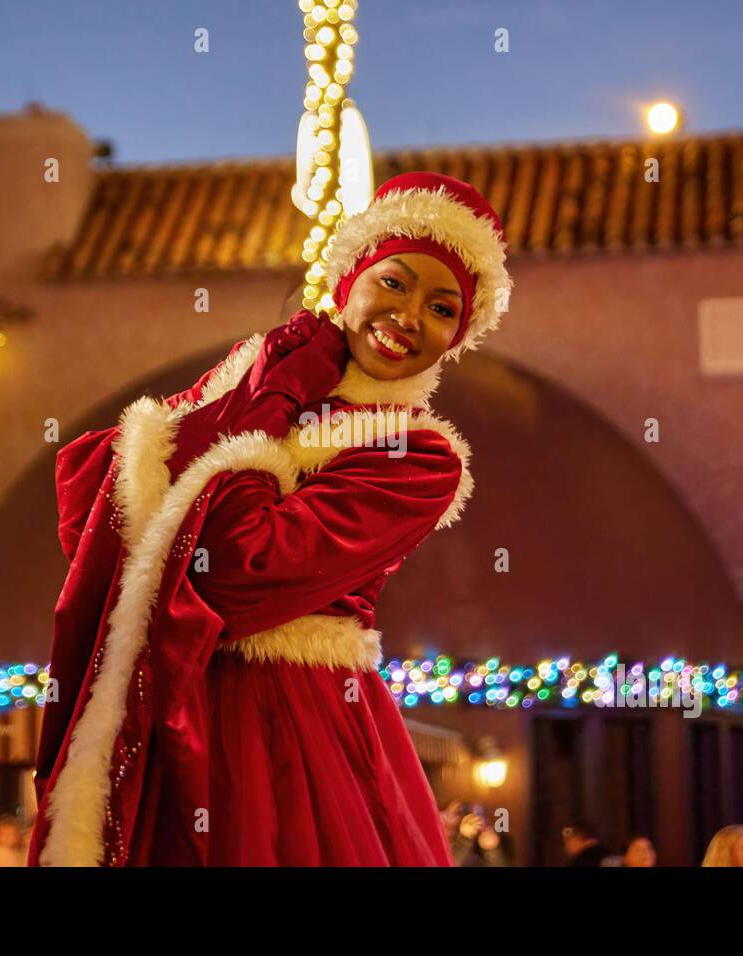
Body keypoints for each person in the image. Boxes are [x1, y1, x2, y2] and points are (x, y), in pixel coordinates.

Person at [27, 172, 512, 867]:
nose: (409, 316)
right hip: (164, 689)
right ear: (351, 280)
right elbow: (94, 502)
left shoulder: (419, 458)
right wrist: (259, 389)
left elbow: (230, 569)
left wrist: (269, 404)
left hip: (284, 725)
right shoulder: (250, 370)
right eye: (395, 282)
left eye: (442, 308)